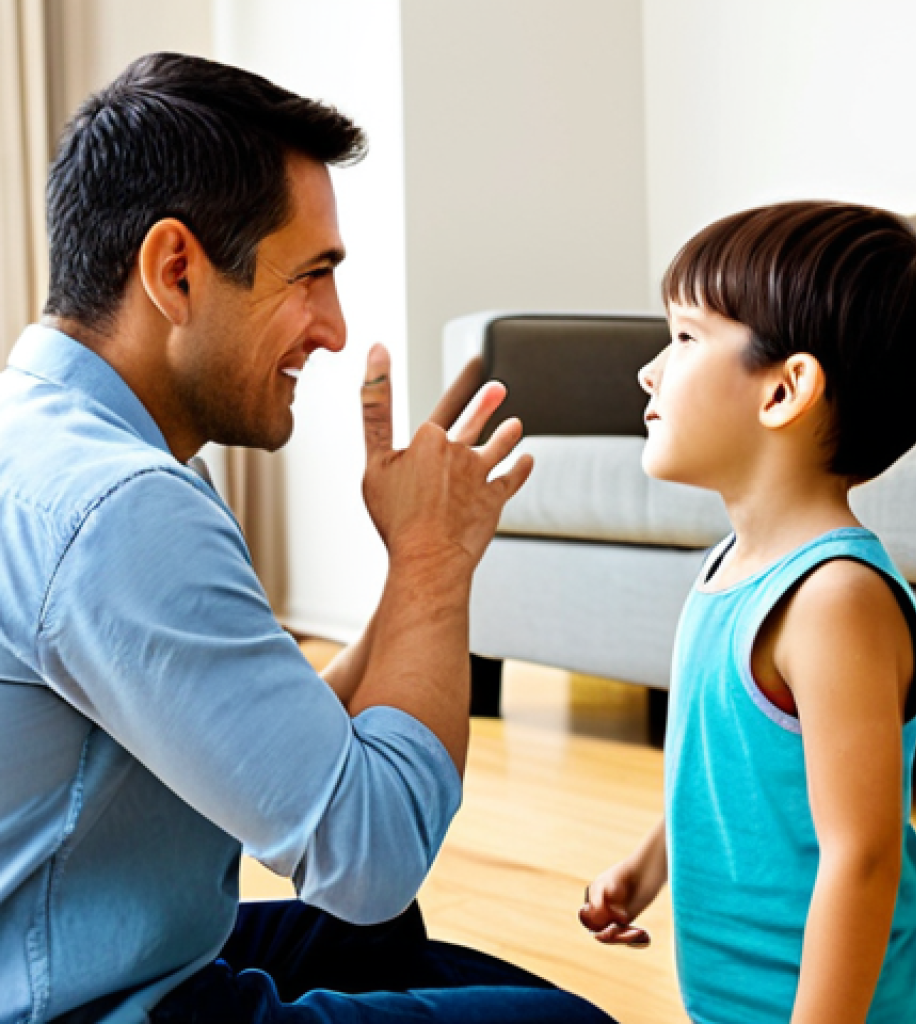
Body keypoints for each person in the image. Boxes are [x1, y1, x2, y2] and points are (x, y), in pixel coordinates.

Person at [0, 52, 616, 1024]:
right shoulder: (121, 508)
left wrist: (413, 561)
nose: (331, 329)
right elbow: (368, 854)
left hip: (55, 936)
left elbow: (276, 750)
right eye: (311, 275)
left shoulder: (49, 445)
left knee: (384, 941)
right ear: (175, 270)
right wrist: (432, 565)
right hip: (80, 1005)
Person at [579, 201, 916, 1024]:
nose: (651, 370)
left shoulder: (835, 598)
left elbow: (861, 857)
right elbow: (728, 769)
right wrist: (649, 866)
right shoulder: (730, 569)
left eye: (685, 339)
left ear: (785, 389)